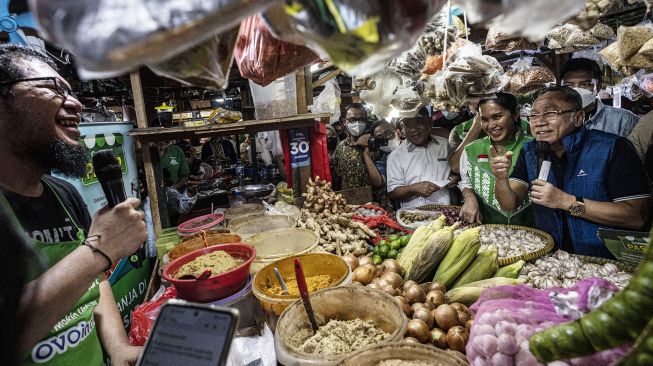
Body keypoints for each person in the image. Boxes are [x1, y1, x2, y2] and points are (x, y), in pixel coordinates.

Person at [0, 44, 147, 365]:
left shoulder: (62, 193)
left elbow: (96, 280)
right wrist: (99, 250)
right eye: (53, 88)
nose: (77, 104)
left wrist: (118, 347)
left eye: (72, 91)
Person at [492, 86, 650, 258]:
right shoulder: (530, 151)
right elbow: (509, 204)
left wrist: (566, 202)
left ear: (578, 117)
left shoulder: (612, 148)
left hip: (605, 261)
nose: (539, 122)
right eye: (534, 115)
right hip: (552, 260)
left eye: (551, 113)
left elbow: (636, 217)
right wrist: (501, 179)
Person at [458, 93, 534, 225]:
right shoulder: (471, 150)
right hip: (488, 231)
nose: (491, 125)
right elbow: (466, 183)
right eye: (484, 119)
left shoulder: (533, 147)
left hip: (532, 231)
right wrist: (470, 198)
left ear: (515, 114)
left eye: (497, 117)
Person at [387, 107, 455, 208]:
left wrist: (455, 178)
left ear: (429, 123)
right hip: (414, 217)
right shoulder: (395, 156)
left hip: (447, 212)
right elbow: (393, 193)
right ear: (402, 128)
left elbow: (458, 171)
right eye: (408, 125)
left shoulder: (446, 145)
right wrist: (413, 188)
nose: (413, 129)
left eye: (418, 123)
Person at [560, 58, 639, 137]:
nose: (576, 91)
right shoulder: (553, 121)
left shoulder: (624, 120)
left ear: (599, 86)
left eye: (585, 84)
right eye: (568, 85)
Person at [449, 102, 530, 174]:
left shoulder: (526, 127)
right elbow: (456, 167)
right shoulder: (459, 131)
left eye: (497, 117)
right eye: (472, 97)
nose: (491, 125)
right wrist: (476, 126)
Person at [332, 103, 383, 191]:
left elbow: (378, 183)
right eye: (353, 119)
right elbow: (343, 178)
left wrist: (365, 152)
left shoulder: (375, 144)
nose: (358, 123)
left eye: (361, 119)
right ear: (345, 122)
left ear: (366, 121)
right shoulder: (341, 147)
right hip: (351, 201)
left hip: (374, 200)